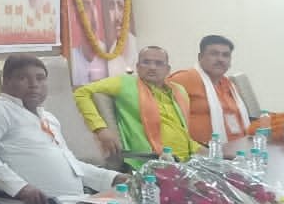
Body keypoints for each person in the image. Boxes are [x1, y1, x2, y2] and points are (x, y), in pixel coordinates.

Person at [0, 55, 128, 204]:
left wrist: (113, 178)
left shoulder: (48, 118)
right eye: (23, 78)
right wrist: (20, 187)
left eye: (40, 78)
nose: (34, 85)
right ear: (6, 82)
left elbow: (72, 165)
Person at [73, 46, 204, 167]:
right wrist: (101, 129)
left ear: (167, 69)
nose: (152, 67)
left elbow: (182, 130)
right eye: (146, 62)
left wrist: (200, 150)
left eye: (159, 63)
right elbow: (81, 93)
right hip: (151, 161)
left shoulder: (179, 90)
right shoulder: (125, 82)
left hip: (188, 159)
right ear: (137, 67)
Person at [168, 35, 250, 144]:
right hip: (202, 151)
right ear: (200, 57)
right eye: (214, 54)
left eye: (225, 55)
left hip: (239, 148)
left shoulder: (230, 85)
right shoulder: (183, 79)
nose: (220, 59)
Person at [67, 0, 108, 85]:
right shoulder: (71, 59)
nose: (94, 16)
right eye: (85, 5)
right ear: (74, 13)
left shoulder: (110, 53)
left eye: (94, 3)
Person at [101, 0, 138, 76]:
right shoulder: (105, 54)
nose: (117, 16)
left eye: (120, 6)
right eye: (111, 6)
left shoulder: (139, 47)